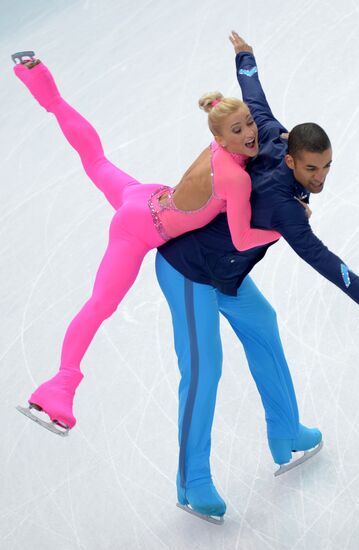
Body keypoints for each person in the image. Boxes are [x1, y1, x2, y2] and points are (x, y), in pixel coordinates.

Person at [155, 31, 359, 523]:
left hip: (229, 274)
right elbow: (318, 255)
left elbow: (255, 99)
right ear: (292, 160)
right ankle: (192, 481)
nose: (321, 178)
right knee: (204, 373)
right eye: (313, 169)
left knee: (264, 326)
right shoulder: (282, 207)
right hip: (188, 272)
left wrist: (245, 57)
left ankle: (286, 433)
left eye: (327, 166)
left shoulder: (274, 134)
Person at [13, 54, 282, 440]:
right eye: (239, 128)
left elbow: (252, 120)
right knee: (100, 303)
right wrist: (282, 229)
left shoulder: (225, 144)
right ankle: (61, 383)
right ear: (222, 137)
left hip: (145, 194)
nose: (250, 132)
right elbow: (242, 238)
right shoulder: (232, 176)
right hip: (138, 228)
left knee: (96, 159)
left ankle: (37, 78)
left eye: (250, 124)